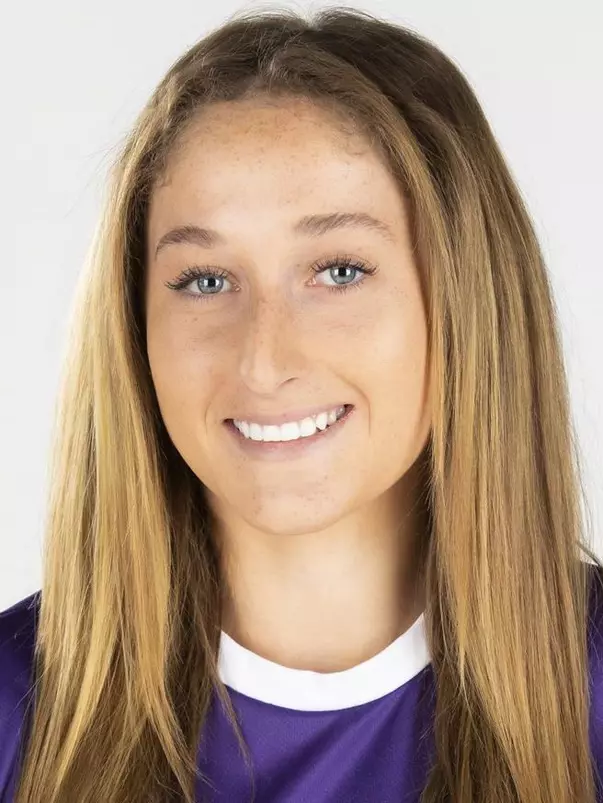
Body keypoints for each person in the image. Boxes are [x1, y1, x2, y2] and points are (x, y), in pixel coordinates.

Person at [1, 5, 602, 803]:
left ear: (467, 299)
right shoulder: (17, 710)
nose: (265, 358)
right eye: (205, 281)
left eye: (339, 269)